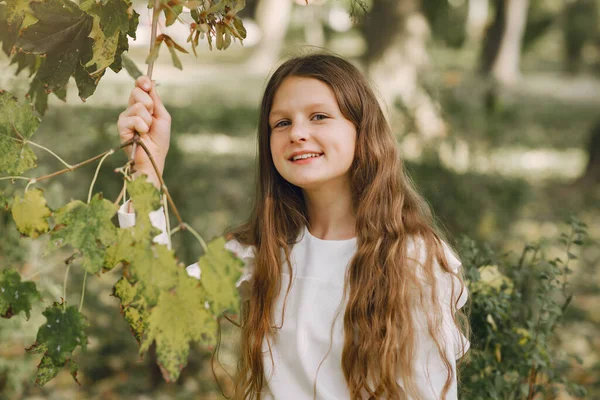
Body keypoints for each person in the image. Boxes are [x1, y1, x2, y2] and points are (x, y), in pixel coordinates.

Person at [116, 54, 470, 400]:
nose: (298, 133)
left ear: (362, 131)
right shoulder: (262, 249)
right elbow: (159, 307)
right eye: (281, 123)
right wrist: (148, 166)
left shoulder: (412, 259)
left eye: (319, 116)